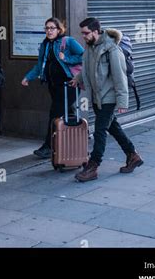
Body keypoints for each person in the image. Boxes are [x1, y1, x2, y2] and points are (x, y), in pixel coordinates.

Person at [71, 17, 143, 182]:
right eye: (82, 33)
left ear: (96, 31)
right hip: (97, 97)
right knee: (113, 127)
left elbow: (120, 77)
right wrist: (77, 78)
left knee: (100, 130)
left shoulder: (112, 49)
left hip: (108, 97)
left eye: (86, 33)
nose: (83, 36)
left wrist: (122, 102)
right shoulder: (90, 47)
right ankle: (133, 155)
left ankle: (93, 166)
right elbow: (87, 68)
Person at [22, 17, 83, 159]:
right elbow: (39, 65)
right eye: (46, 28)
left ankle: (48, 147)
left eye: (52, 28)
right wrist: (28, 77)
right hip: (53, 86)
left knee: (54, 114)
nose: (49, 31)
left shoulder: (68, 41)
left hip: (69, 85)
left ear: (59, 29)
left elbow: (84, 56)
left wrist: (66, 58)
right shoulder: (45, 44)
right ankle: (76, 141)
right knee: (68, 113)